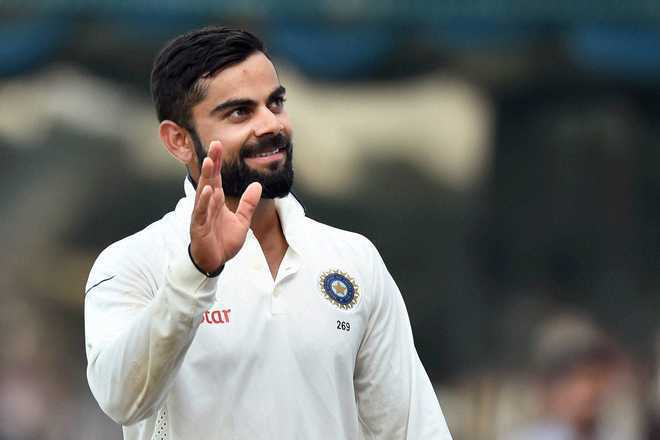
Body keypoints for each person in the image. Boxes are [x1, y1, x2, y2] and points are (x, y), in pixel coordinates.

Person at [84, 26, 452, 440]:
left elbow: (413, 428)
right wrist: (196, 272)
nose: (271, 125)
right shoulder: (133, 262)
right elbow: (121, 398)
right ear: (179, 141)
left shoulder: (353, 259)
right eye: (239, 112)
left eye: (275, 103)